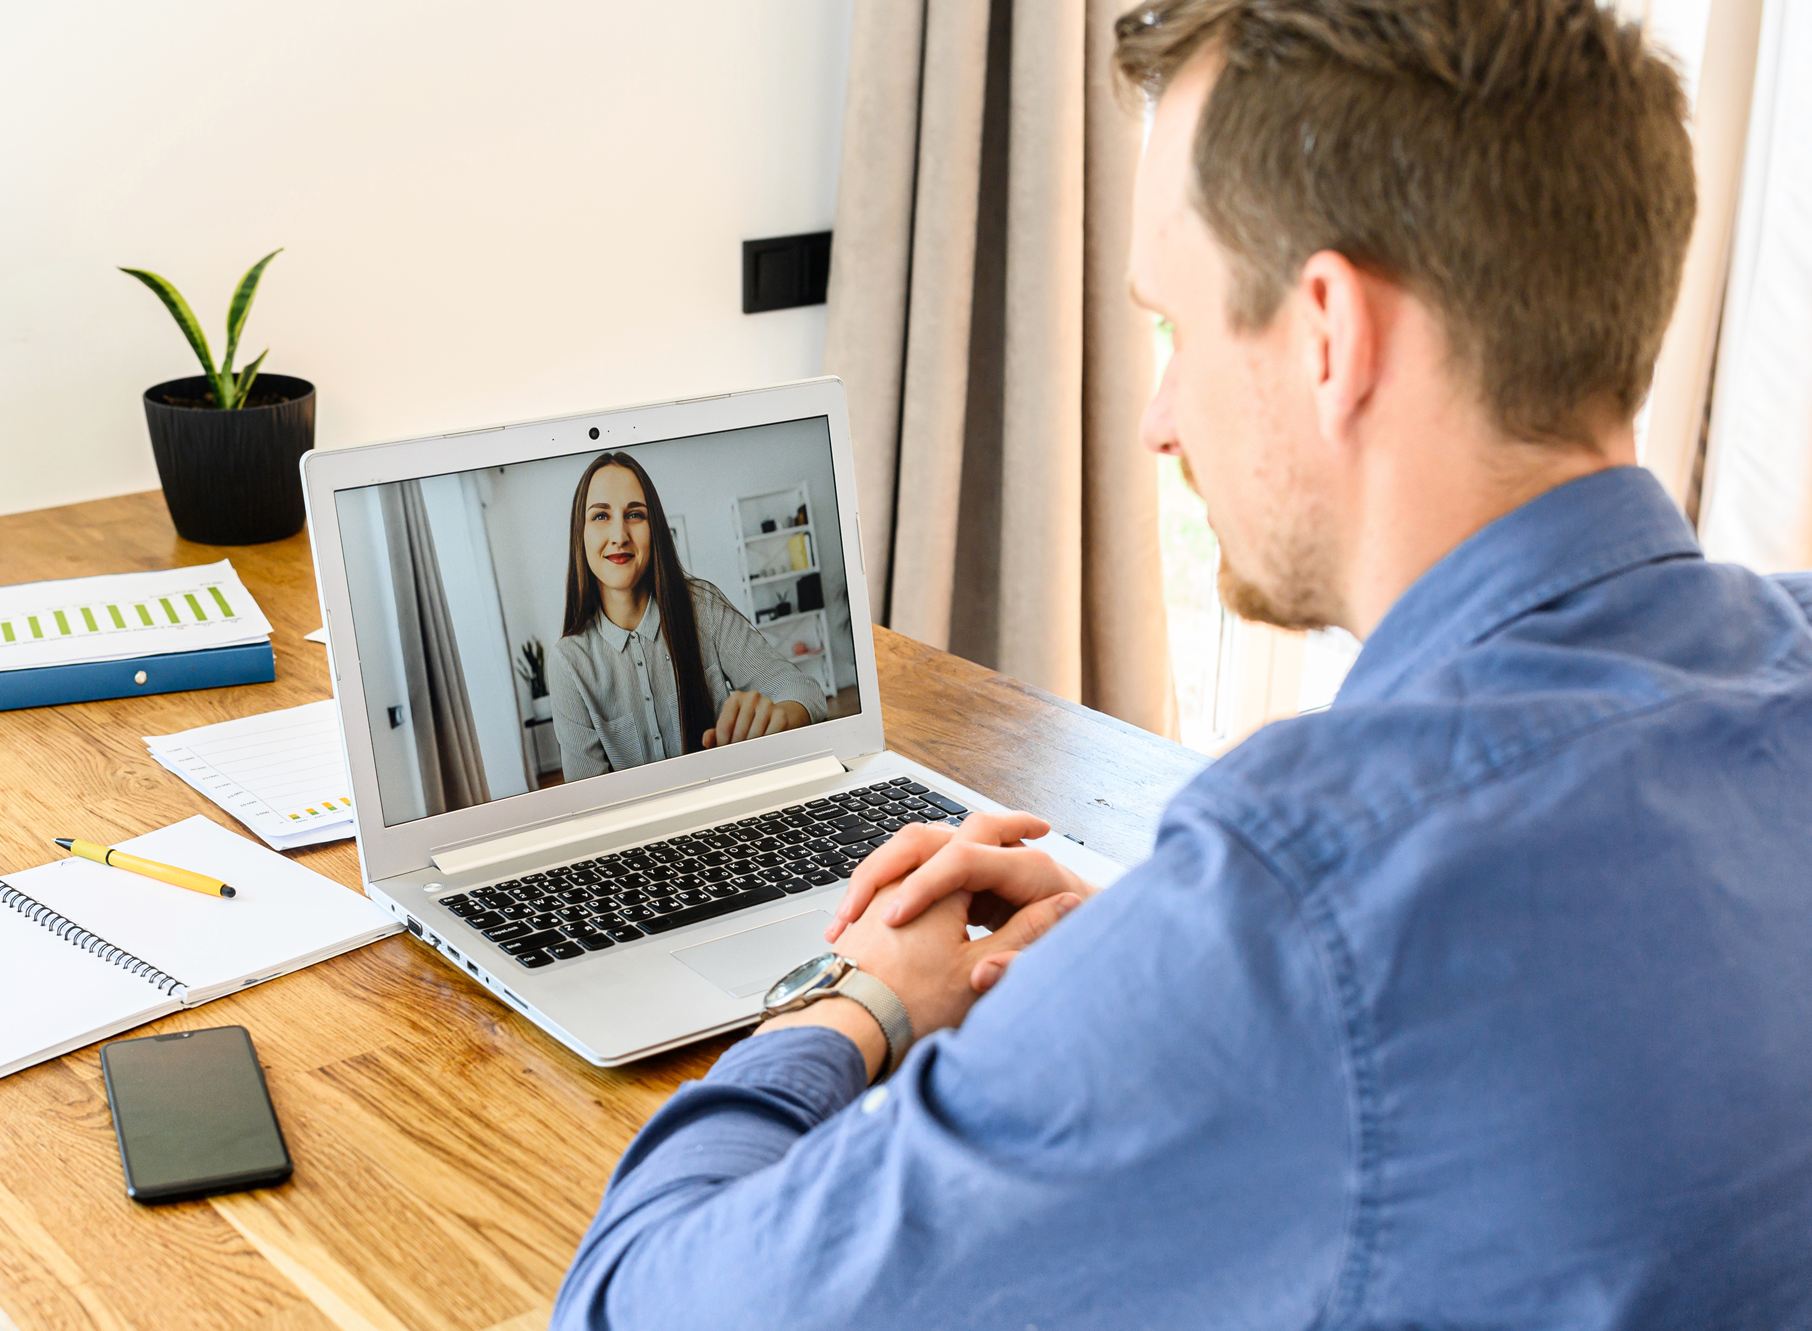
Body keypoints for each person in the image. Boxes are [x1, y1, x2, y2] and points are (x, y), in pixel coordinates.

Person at [552, 1, 1812, 1326]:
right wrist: (1137, 979)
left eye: (1178, 328)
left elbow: (639, 1302)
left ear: (1330, 333)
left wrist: (853, 999)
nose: (1158, 418)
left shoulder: (1297, 909)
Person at [549, 451, 827, 781]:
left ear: (656, 529)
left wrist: (779, 717)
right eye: (600, 517)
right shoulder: (568, 663)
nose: (619, 535)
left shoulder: (703, 607)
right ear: (579, 535)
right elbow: (588, 801)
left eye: (635, 514)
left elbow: (802, 688)